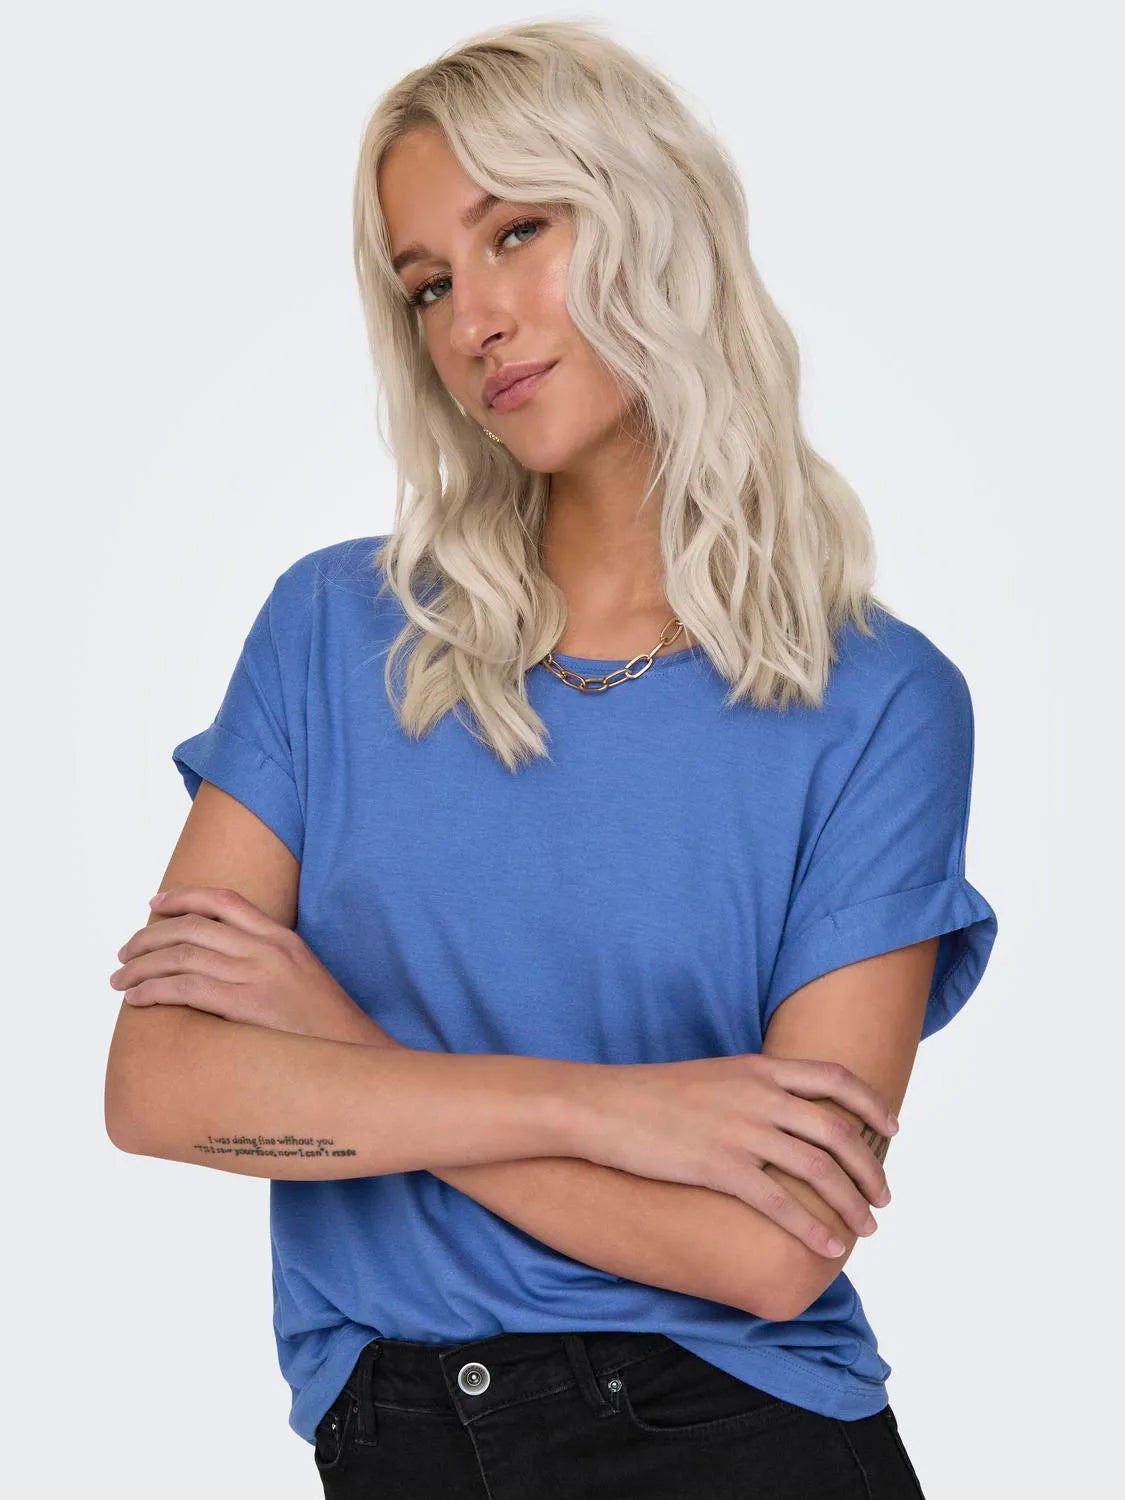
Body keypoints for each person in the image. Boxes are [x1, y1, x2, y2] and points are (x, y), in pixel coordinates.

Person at [104, 18, 997, 1498]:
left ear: (654, 220)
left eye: (518, 231)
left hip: (731, 1432)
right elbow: (161, 1088)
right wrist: (607, 1111)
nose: (473, 320)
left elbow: (772, 1249)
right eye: (428, 284)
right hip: (393, 1433)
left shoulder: (879, 705)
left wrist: (352, 1058)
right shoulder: (335, 634)